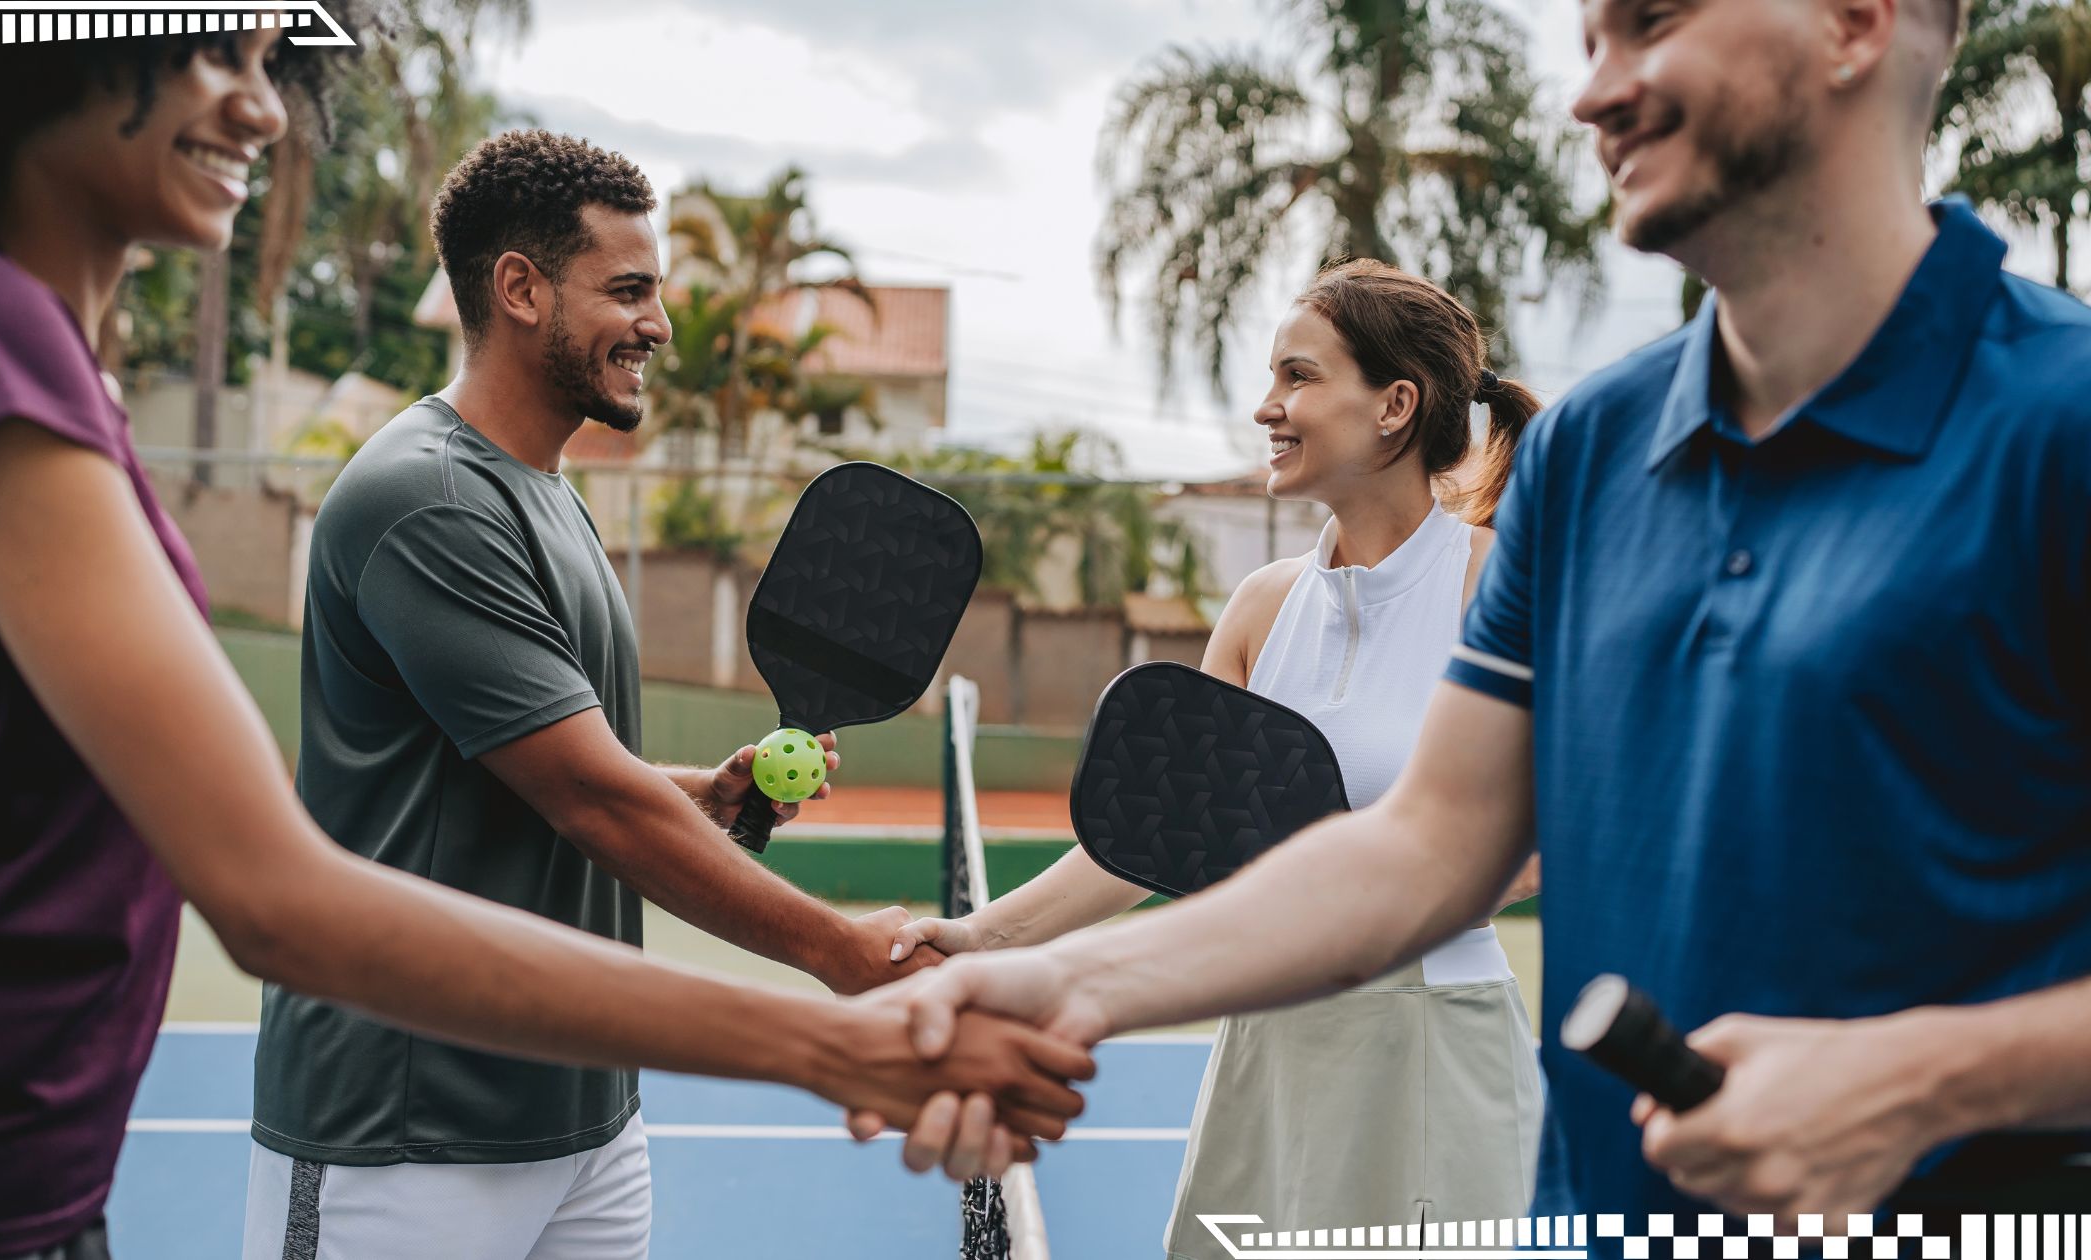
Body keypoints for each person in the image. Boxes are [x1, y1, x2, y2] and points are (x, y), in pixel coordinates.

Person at [0, 26, 1087, 1259]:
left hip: (7, 1178)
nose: (268, 112)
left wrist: (696, 800)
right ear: (39, 48)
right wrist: (829, 1025)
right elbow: (277, 891)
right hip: (83, 1169)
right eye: (215, 56)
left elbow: (555, 774)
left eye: (272, 66)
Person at [873, 0, 2091, 1227]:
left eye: (1649, 24)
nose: (1591, 94)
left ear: (1850, 23)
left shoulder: (2064, 423)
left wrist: (1917, 1083)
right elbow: (1423, 851)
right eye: (1587, 43)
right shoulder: (1589, 458)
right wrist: (1054, 979)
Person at [239, 128, 942, 1259]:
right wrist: (831, 948)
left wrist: (696, 796)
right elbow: (593, 802)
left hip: (583, 1121)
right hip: (409, 1128)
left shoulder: (547, 494)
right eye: (626, 290)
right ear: (519, 289)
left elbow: (555, 765)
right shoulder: (428, 500)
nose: (657, 325)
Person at [885, 260, 1545, 1244]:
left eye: (1296, 377)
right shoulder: (1259, 608)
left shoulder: (1500, 591)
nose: (1264, 408)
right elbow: (1152, 838)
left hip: (1428, 1042)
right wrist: (981, 939)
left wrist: (1374, 922)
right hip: (1265, 1033)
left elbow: (1554, 834)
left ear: (1392, 406)